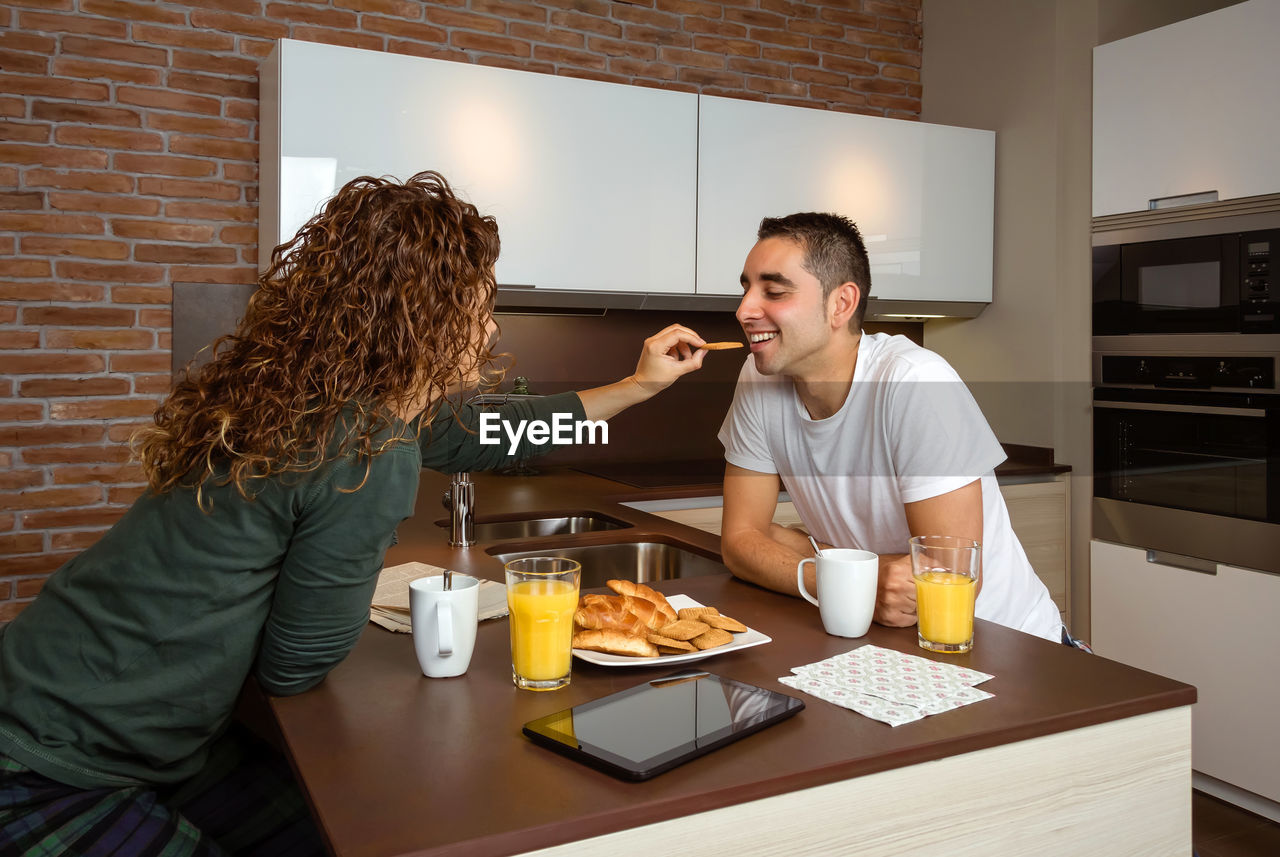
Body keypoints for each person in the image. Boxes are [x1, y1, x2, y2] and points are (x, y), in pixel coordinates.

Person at [0, 171, 710, 855]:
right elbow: (295, 664)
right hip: (53, 762)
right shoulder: (368, 447)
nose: (490, 329)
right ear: (424, 315)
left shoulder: (313, 396)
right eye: (480, 305)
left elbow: (494, 436)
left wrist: (637, 386)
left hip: (75, 701)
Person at [717, 212, 1064, 643]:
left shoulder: (914, 382)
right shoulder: (758, 377)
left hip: (1007, 647)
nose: (745, 309)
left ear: (841, 304)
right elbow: (741, 540)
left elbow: (941, 579)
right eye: (746, 288)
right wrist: (844, 578)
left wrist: (813, 559)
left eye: (773, 291)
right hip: (885, 646)